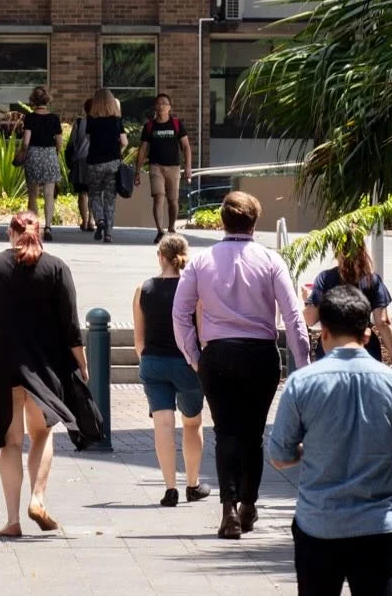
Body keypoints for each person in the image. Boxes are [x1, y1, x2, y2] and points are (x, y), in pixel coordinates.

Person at [269, 284, 392, 596]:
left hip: (318, 524)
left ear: (324, 333)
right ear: (367, 334)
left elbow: (279, 456)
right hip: (377, 526)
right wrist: (382, 448)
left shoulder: (301, 383)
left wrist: (308, 449)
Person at [172, 190, 310, 540]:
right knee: (253, 432)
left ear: (222, 221)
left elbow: (179, 312)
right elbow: (293, 316)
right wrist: (304, 364)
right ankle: (248, 504)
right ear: (254, 222)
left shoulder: (202, 261)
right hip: (259, 354)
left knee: (225, 432)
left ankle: (229, 509)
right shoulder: (271, 260)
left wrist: (194, 356)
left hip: (218, 354)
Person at [0, 210, 95, 538]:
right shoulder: (56, 268)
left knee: (10, 442)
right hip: (44, 366)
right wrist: (82, 364)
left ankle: (12, 520)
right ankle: (37, 498)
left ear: (10, 233)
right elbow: (71, 325)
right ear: (41, 234)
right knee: (42, 433)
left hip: (1, 364)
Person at [133, 233, 211, 507]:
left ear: (160, 257)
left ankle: (170, 489)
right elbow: (201, 332)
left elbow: (139, 341)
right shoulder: (193, 290)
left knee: (163, 426)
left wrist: (148, 359)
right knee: (192, 423)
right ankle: (192, 484)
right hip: (185, 364)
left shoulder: (143, 289)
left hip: (153, 362)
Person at [305, 235, 392, 369]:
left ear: (336, 249)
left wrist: (308, 299)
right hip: (365, 347)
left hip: (331, 346)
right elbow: (383, 322)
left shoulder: (325, 278)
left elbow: (310, 319)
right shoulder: (372, 280)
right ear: (362, 249)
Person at [134, 93, 191, 241]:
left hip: (173, 167)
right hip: (156, 166)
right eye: (158, 103)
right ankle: (160, 230)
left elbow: (186, 146)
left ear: (169, 107)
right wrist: (137, 171)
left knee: (173, 200)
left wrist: (188, 167)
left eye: (164, 103)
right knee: (158, 198)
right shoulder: (149, 126)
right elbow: (143, 149)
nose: (161, 106)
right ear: (155, 107)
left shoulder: (176, 124)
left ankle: (171, 227)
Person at [84, 86, 128, 243]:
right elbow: (124, 142)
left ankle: (100, 220)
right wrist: (117, 150)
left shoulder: (91, 120)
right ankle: (108, 234)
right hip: (113, 163)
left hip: (95, 162)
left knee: (94, 194)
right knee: (110, 199)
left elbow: (88, 139)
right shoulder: (116, 121)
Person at [20, 86, 62, 238]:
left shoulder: (30, 118)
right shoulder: (54, 118)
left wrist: (22, 153)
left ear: (33, 100)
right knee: (49, 194)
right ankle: (48, 227)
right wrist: (55, 154)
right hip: (49, 155)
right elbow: (59, 142)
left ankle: (32, 227)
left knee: (33, 194)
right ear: (47, 100)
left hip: (33, 155)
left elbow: (26, 142)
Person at [65, 98, 94, 231]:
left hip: (80, 161)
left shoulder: (79, 123)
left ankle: (85, 221)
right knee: (93, 193)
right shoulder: (101, 124)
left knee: (82, 193)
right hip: (95, 161)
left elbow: (71, 143)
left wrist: (69, 160)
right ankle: (92, 220)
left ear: (85, 109)